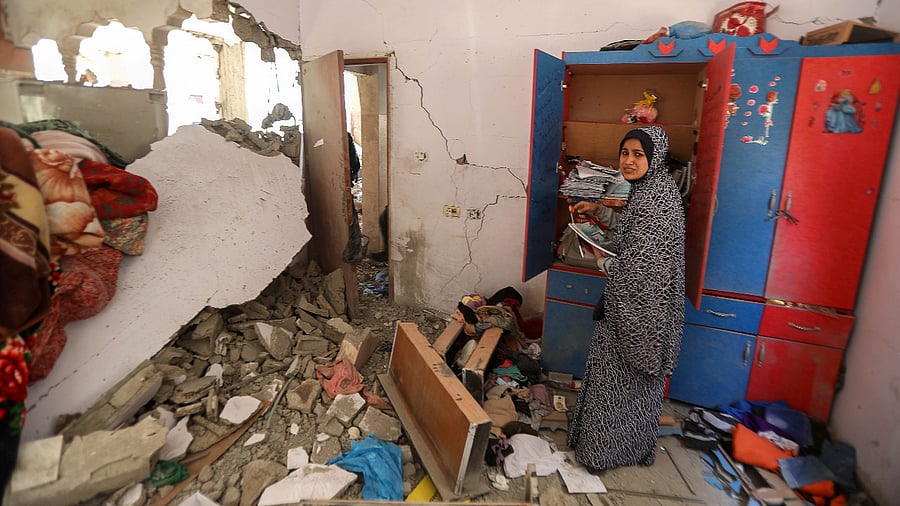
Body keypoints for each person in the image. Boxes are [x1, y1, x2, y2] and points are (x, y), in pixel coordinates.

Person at [566, 125, 686, 471]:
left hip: (640, 312)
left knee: (618, 386)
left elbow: (642, 266)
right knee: (625, 386)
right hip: (634, 305)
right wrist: (600, 213)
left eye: (638, 154)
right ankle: (621, 448)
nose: (629, 161)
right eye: (625, 153)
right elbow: (630, 235)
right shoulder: (649, 189)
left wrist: (603, 262)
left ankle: (602, 454)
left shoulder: (657, 199)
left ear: (655, 157)